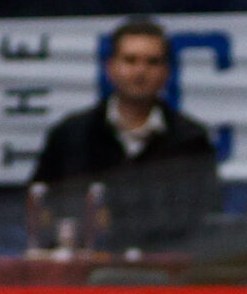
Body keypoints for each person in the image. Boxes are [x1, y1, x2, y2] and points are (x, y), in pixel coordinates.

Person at [27, 15, 219, 252]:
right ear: (110, 68)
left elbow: (206, 221)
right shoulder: (71, 135)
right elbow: (40, 210)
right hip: (85, 277)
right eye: (130, 60)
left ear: (166, 72)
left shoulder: (191, 141)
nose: (140, 71)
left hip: (167, 277)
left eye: (152, 62)